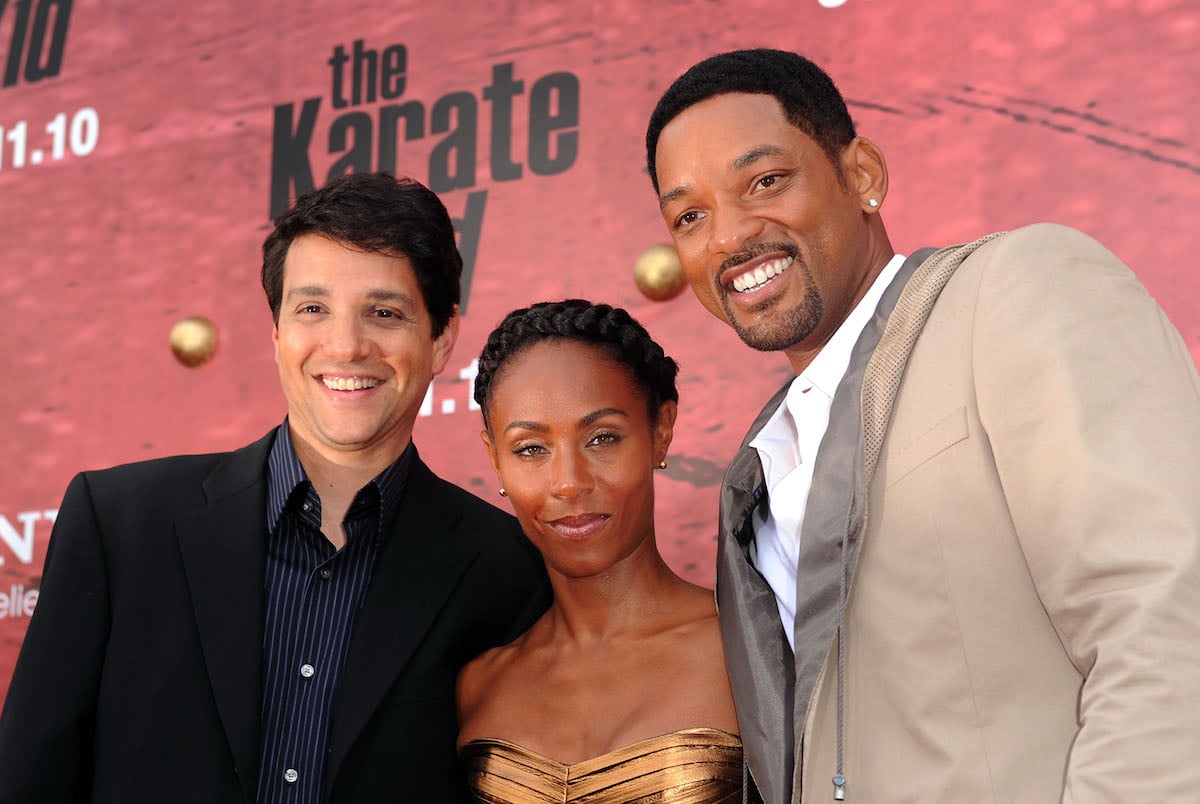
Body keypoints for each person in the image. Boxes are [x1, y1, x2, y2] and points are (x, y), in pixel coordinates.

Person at [644, 48, 1200, 803]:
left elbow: (1167, 622)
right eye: (690, 215)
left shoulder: (1015, 290)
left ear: (862, 175)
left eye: (765, 181)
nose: (730, 236)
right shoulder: (759, 466)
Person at [0, 172, 549, 804]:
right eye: (312, 308)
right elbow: (29, 782)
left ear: (442, 339)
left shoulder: (507, 569)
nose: (345, 346)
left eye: (384, 313)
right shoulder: (119, 524)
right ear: (277, 332)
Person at [457, 299, 742, 803]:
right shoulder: (477, 685)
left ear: (661, 431)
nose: (568, 483)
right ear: (494, 459)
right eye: (530, 449)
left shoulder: (751, 649)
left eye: (602, 438)